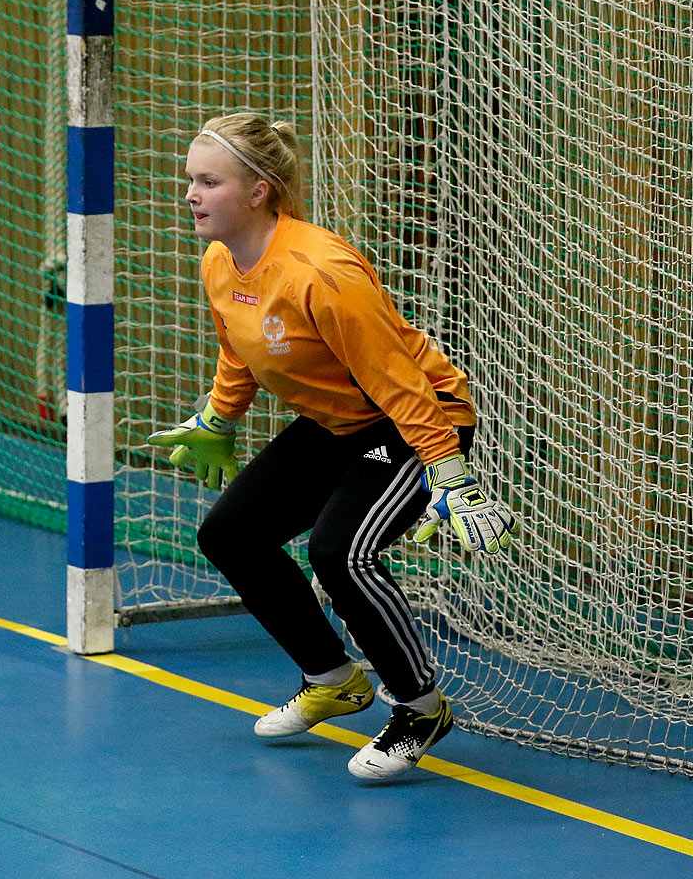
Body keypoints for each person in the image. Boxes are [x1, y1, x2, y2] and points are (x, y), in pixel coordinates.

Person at [146, 112, 516, 780]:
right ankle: (333, 678)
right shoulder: (220, 261)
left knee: (340, 552)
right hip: (338, 422)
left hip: (412, 422)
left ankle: (421, 708)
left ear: (259, 191)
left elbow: (399, 383)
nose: (191, 195)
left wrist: (449, 474)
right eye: (191, 180)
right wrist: (217, 420)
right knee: (231, 534)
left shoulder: (322, 271)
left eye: (209, 181)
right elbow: (239, 352)